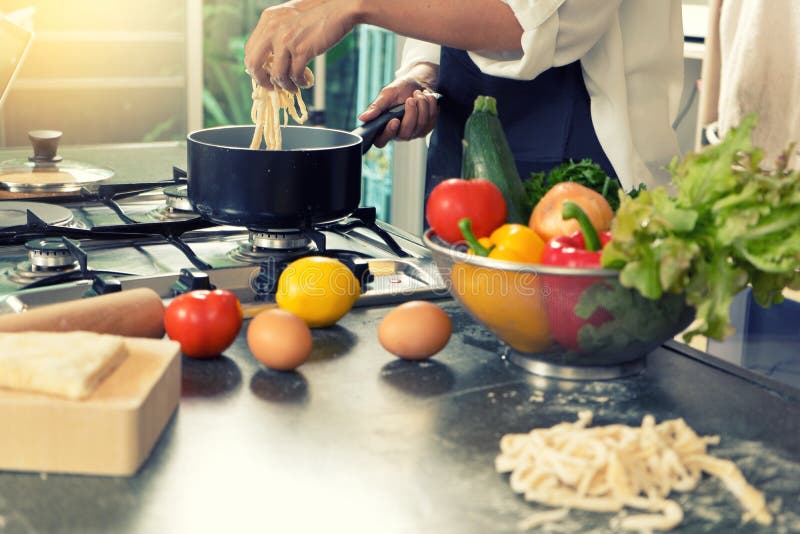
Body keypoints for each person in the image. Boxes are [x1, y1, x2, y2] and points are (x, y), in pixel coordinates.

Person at [244, 1, 684, 196]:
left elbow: (530, 20)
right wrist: (423, 72)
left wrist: (351, 4)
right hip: (459, 169)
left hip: (586, 178)